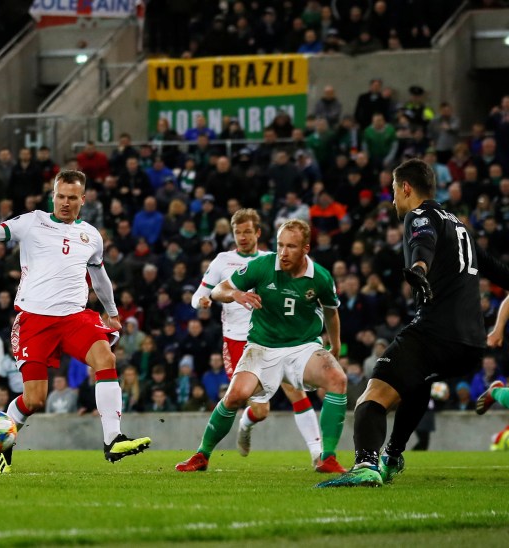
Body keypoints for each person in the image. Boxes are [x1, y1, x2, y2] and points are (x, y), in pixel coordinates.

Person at [0, 169, 151, 474]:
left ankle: (113, 440)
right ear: (52, 196)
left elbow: (100, 277)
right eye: (60, 196)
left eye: (72, 198)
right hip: (34, 319)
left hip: (74, 317)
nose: (65, 202)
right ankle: (6, 440)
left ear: (83, 199)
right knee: (36, 398)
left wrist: (112, 313)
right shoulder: (32, 222)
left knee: (105, 357)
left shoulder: (92, 236)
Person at [318, 158, 488, 488]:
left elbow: (420, 242)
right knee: (416, 381)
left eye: (394, 191)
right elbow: (494, 267)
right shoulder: (460, 226)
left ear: (406, 188)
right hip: (472, 344)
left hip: (436, 332)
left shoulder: (418, 214)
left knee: (372, 395)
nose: (393, 199)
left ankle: (366, 464)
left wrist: (420, 268)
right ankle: (392, 455)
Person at [176, 219, 348, 473]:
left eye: (291, 246)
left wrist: (335, 345)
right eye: (280, 245)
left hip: (302, 347)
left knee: (337, 379)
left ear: (306, 249)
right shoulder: (261, 266)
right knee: (235, 396)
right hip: (262, 347)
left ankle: (327, 457)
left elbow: (332, 313)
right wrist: (235, 294)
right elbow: (217, 291)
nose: (283, 252)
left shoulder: (320, 277)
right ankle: (202, 455)